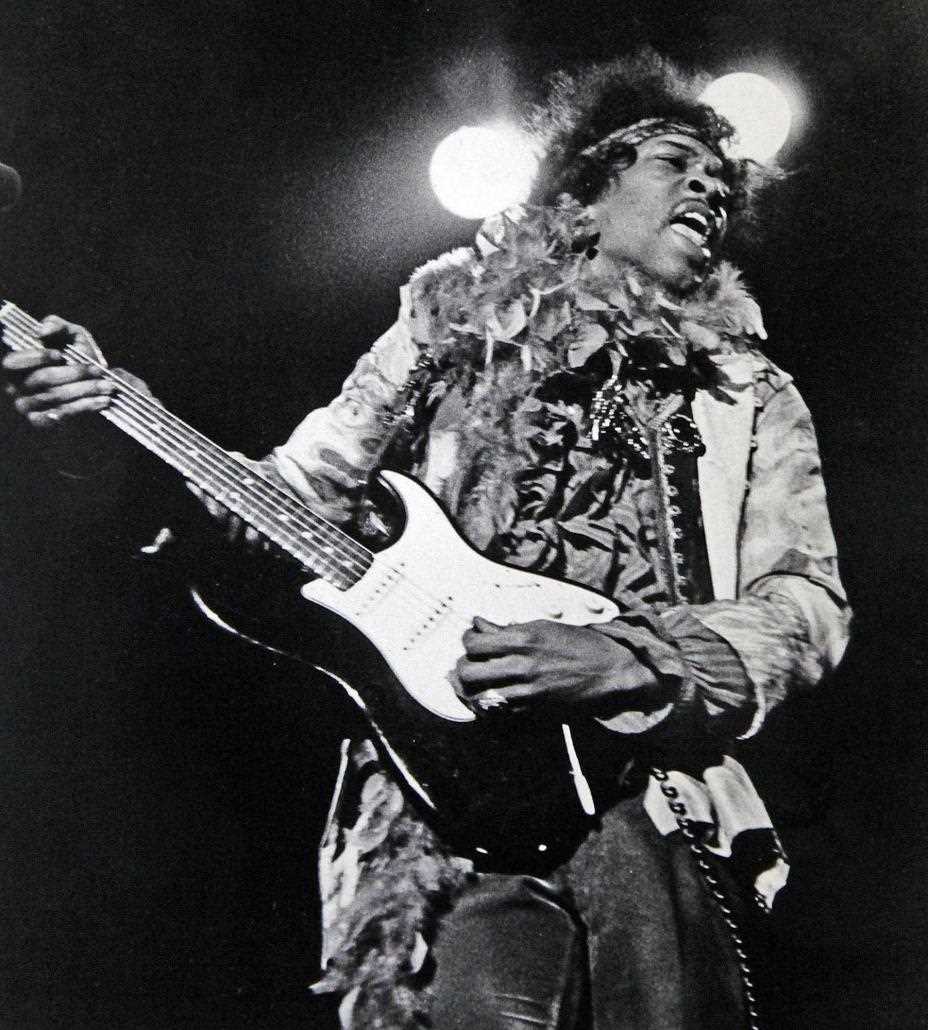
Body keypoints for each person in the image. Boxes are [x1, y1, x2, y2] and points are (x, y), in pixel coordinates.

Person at [2, 51, 850, 1030]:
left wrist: (632, 659)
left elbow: (805, 604)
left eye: (720, 180)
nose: (709, 185)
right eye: (674, 161)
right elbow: (293, 496)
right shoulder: (444, 322)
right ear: (584, 193)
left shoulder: (747, 391)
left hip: (645, 792)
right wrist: (118, 422)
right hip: (439, 805)